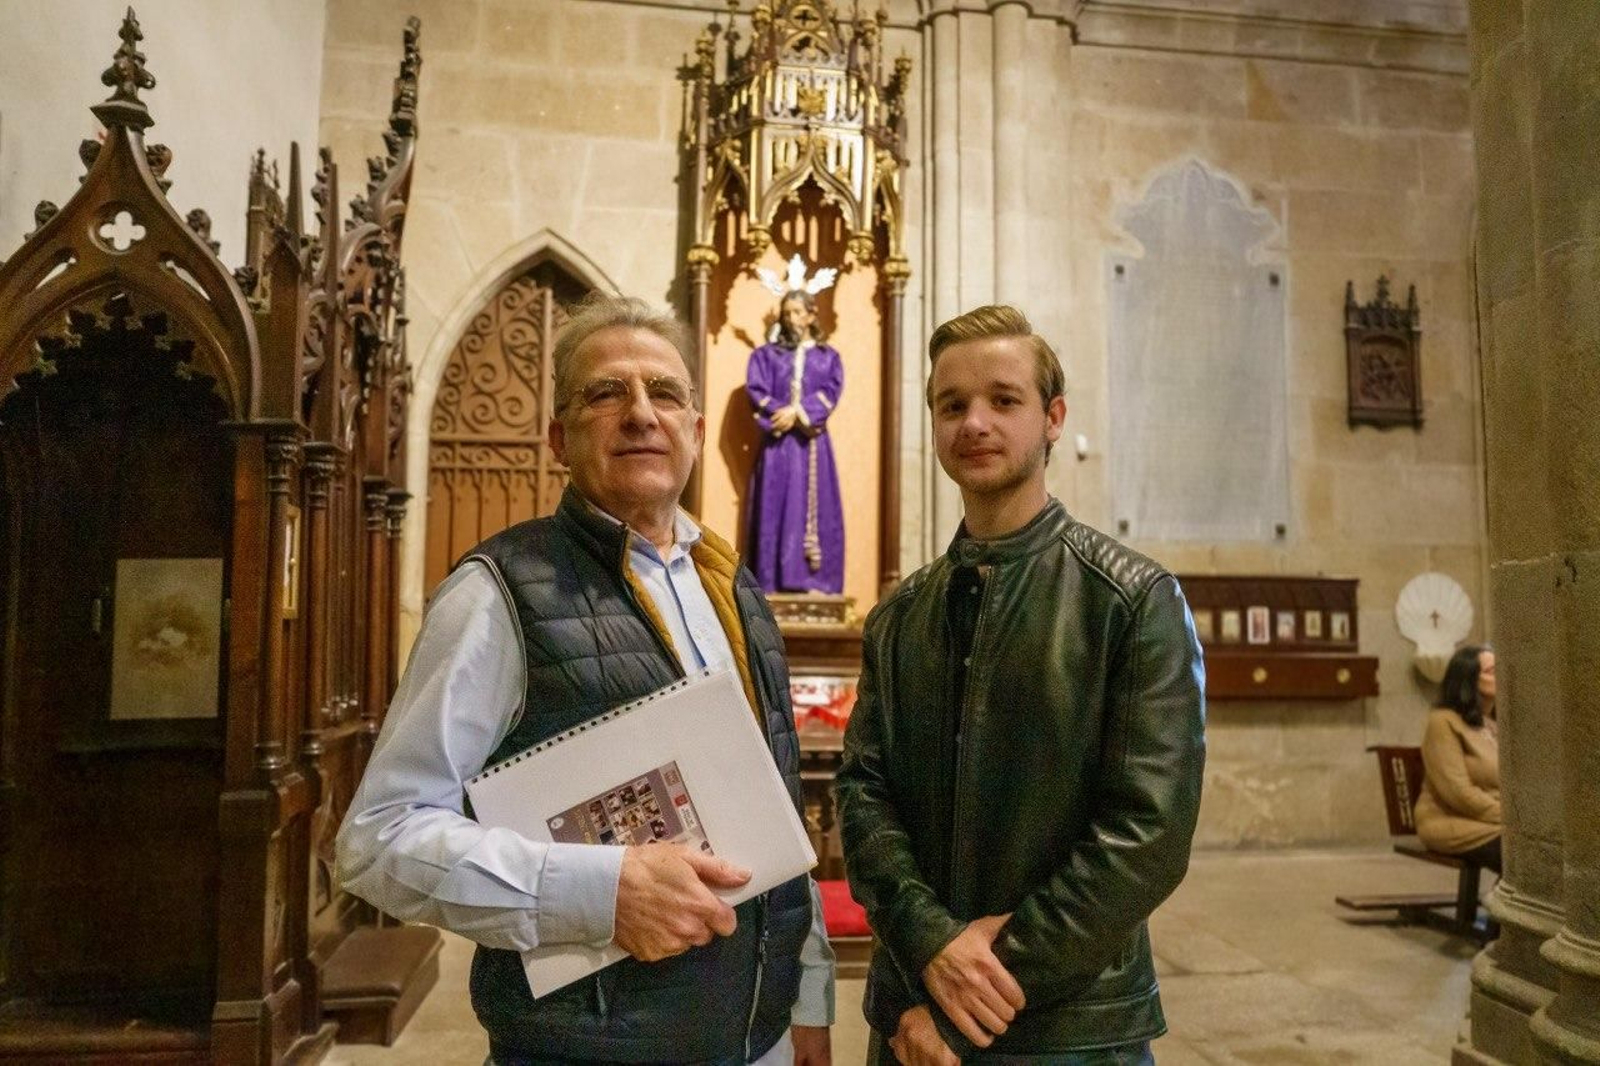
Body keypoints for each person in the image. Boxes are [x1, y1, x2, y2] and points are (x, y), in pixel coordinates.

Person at [337, 295, 834, 1065]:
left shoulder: (734, 588)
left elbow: (774, 814)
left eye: (665, 393)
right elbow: (378, 839)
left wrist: (806, 998)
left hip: (755, 1042)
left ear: (697, 431)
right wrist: (600, 892)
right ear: (559, 439)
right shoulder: (498, 591)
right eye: (607, 393)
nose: (641, 414)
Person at [835, 305, 1206, 1065]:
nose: (975, 423)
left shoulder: (1131, 600)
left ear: (1052, 418)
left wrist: (978, 985)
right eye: (952, 405)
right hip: (909, 1011)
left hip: (1069, 1026)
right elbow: (864, 796)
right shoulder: (900, 615)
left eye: (1003, 400)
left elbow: (1146, 836)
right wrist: (932, 946)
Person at [744, 265, 846, 595]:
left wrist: (799, 412)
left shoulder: (828, 357)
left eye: (798, 312)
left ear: (811, 315)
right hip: (778, 447)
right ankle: (771, 584)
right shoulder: (765, 356)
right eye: (787, 313)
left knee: (814, 511)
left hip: (813, 445)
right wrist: (780, 414)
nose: (791, 318)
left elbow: (831, 391)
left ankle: (815, 583)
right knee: (776, 506)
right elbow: (757, 391)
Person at [1414, 644, 1501, 873]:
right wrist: (1513, 819)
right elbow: (1458, 792)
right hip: (1452, 821)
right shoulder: (1443, 721)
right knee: (1534, 855)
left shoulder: (1495, 724)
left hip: (1494, 821)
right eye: (1493, 671)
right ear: (1469, 679)